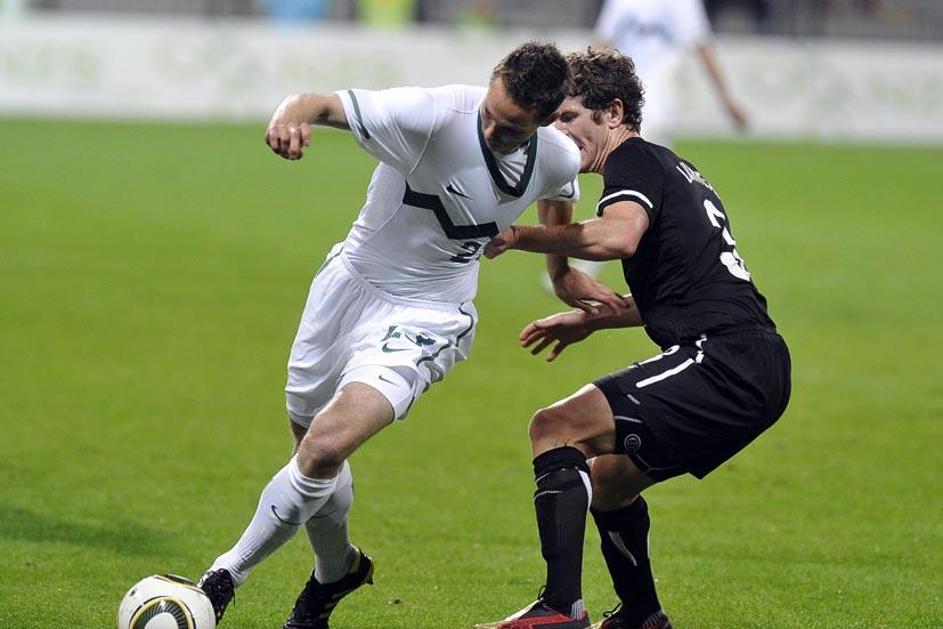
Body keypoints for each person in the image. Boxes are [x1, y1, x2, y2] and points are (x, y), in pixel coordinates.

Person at [194, 41, 625, 629]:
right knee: (310, 456)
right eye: (491, 113)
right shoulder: (433, 114)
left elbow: (558, 196)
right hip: (346, 289)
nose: (492, 129)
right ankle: (335, 572)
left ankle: (221, 579)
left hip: (430, 315)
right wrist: (290, 116)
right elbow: (318, 103)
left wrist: (559, 272)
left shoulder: (555, 154)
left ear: (545, 122)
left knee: (325, 447)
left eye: (510, 128)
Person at [481, 49, 791, 629]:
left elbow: (619, 237)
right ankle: (642, 617)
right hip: (752, 361)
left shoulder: (633, 162)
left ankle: (560, 607)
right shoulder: (671, 168)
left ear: (614, 113)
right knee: (607, 480)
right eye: (552, 120)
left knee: (555, 427)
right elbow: (690, 288)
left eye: (569, 117)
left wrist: (520, 236)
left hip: (724, 359)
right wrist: (593, 320)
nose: (558, 131)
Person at [594, 0, 749, 145]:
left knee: (636, 147)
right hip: (626, 90)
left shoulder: (682, 3)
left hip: (661, 92)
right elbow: (602, 45)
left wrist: (727, 100)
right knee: (644, 152)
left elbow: (702, 47)